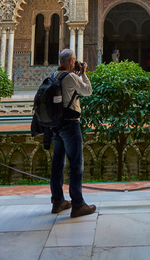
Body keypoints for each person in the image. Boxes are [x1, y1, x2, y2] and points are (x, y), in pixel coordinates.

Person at [50, 48, 96, 217]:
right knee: (76, 165)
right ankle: (78, 204)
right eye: (74, 60)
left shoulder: (54, 75)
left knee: (57, 164)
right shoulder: (71, 77)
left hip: (56, 126)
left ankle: (57, 201)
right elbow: (88, 91)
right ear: (70, 61)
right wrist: (83, 73)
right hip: (70, 125)